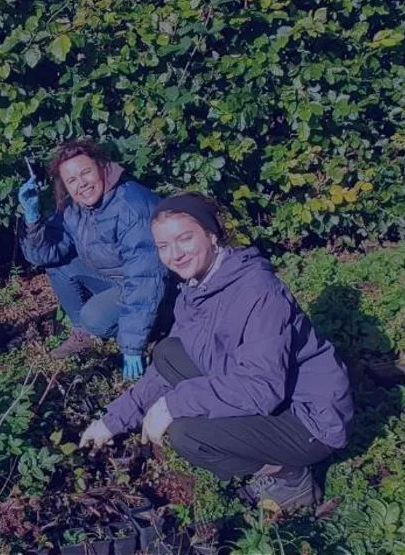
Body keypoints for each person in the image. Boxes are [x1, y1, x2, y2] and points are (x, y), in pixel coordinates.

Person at [79, 193, 353, 511]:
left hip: (311, 421)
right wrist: (113, 420)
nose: (175, 254)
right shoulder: (195, 290)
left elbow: (261, 387)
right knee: (168, 352)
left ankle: (289, 477)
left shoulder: (258, 292)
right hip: (270, 394)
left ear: (211, 235)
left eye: (184, 238)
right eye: (163, 246)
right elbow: (164, 370)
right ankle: (271, 457)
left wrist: (173, 405)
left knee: (187, 433)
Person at [18, 140, 167, 380]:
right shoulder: (74, 207)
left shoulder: (131, 205)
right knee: (60, 267)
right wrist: (32, 219)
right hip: (116, 278)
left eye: (86, 172)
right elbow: (45, 255)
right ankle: (84, 335)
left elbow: (145, 278)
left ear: (101, 167)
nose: (82, 184)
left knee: (94, 317)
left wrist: (132, 346)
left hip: (158, 288)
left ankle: (155, 332)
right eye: (72, 180)